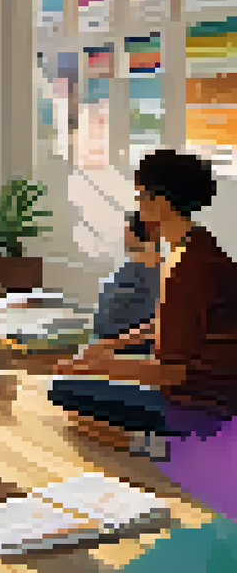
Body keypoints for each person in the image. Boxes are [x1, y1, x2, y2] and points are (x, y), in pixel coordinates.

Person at [50, 149, 237, 454]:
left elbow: (171, 372)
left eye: (141, 195)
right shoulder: (194, 245)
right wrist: (112, 345)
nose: (137, 204)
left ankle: (171, 448)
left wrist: (100, 366)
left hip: (202, 404)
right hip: (208, 391)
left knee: (64, 390)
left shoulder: (188, 269)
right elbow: (170, 320)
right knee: (81, 399)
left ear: (160, 201)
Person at [92, 211, 160, 356]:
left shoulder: (150, 272)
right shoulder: (134, 268)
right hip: (110, 347)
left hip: (124, 351)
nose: (124, 237)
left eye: (127, 229)